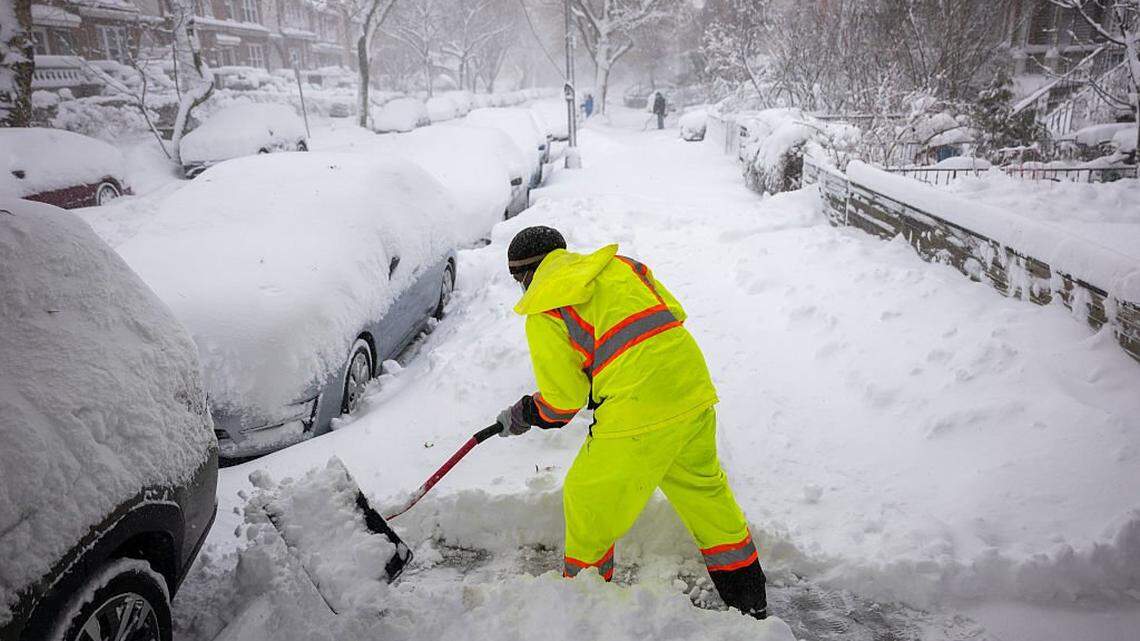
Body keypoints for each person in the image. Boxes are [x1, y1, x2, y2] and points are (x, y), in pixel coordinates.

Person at [495, 226, 768, 620]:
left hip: (639, 406)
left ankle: (584, 604)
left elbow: (562, 402)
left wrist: (526, 413)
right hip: (690, 386)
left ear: (523, 275)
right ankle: (750, 600)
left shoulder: (544, 307)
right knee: (705, 493)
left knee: (586, 497)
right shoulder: (621, 266)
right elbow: (668, 316)